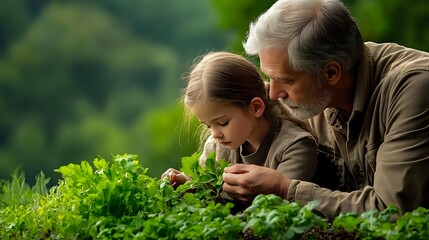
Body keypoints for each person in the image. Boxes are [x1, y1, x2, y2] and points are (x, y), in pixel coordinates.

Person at [222, 0, 429, 220]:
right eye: (269, 78)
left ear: (331, 73)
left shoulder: (413, 90)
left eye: (285, 81)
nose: (273, 94)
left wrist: (284, 190)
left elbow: (392, 211)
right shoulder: (314, 93)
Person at [162, 51, 318, 190]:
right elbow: (208, 187)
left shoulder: (296, 147)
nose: (215, 134)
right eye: (208, 125)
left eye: (223, 123)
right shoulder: (217, 147)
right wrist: (188, 183)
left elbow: (280, 206)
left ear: (256, 108)